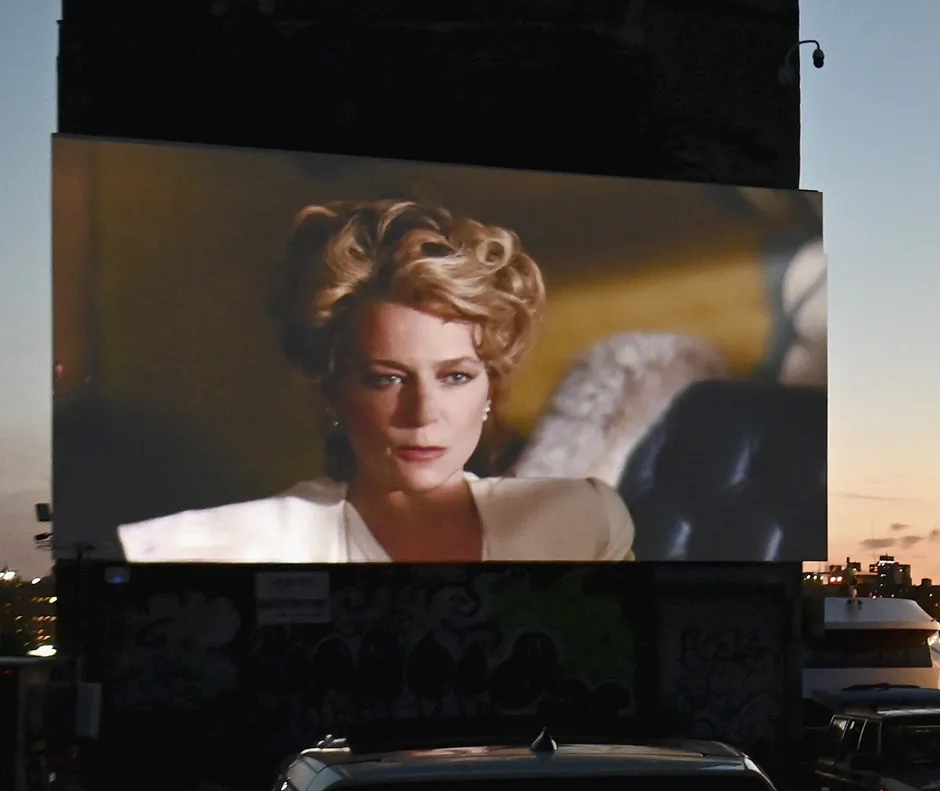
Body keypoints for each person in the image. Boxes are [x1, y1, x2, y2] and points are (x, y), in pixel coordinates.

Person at [117, 200, 635, 563]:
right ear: (334, 391)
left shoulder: (578, 524)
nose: (423, 412)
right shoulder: (242, 545)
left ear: (489, 390)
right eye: (387, 379)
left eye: (456, 376)